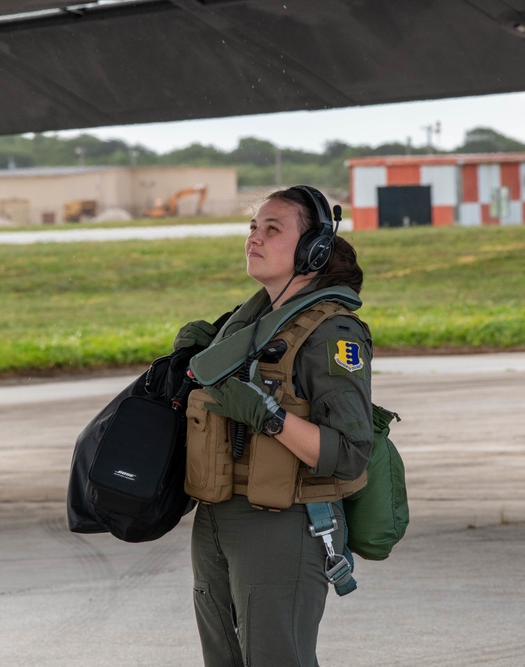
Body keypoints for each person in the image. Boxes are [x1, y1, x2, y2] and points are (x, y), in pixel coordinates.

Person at [173, 185, 373, 666]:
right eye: (252, 227)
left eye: (273, 228)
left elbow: (347, 453)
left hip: (286, 523)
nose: (254, 238)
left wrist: (270, 416)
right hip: (218, 517)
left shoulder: (332, 333)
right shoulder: (245, 329)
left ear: (313, 250)